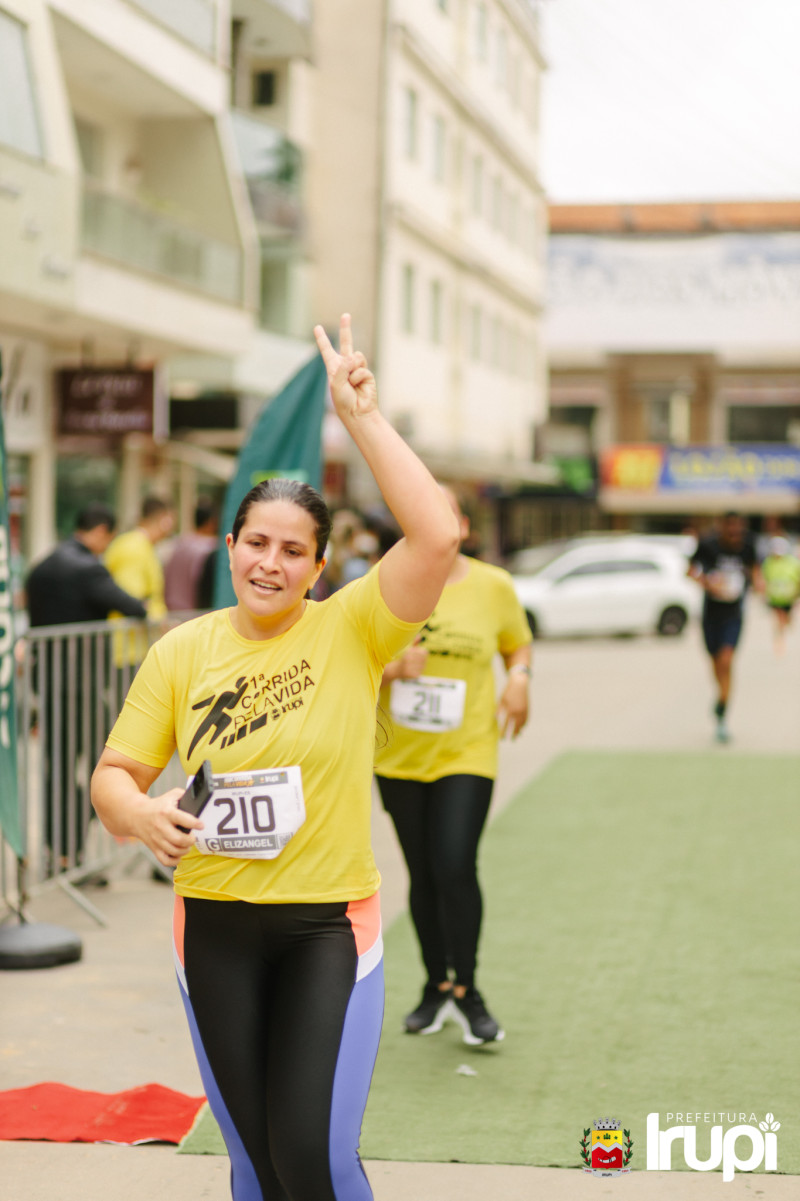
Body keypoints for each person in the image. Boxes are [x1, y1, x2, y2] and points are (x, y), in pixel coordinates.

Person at [90, 314, 460, 1201]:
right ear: (230, 548)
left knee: (309, 1156)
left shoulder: (353, 628)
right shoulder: (182, 651)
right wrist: (139, 812)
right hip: (212, 927)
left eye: (294, 550)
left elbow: (438, 536)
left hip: (325, 929)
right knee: (254, 1163)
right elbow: (111, 778)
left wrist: (361, 418)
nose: (271, 562)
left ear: (318, 567)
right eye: (256, 542)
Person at [374, 487, 533, 1045]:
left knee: (454, 864)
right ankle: (435, 985)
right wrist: (393, 669)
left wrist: (519, 679)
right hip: (397, 755)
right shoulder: (383, 582)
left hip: (467, 751)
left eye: (445, 515)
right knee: (422, 873)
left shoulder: (494, 586)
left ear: (462, 526)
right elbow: (347, 658)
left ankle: (467, 989)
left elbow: (517, 645)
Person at [25, 503, 147, 867]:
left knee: (58, 767)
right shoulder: (88, 568)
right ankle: (73, 847)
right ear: (101, 532)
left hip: (48, 679)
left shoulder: (42, 566)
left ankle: (60, 851)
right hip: (82, 684)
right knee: (103, 766)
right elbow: (132, 606)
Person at [688, 512, 762, 743]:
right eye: (730, 528)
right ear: (721, 527)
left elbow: (755, 570)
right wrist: (708, 583)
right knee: (716, 663)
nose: (734, 533)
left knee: (727, 660)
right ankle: (721, 694)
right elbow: (689, 570)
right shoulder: (708, 545)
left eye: (738, 529)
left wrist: (758, 582)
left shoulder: (748, 546)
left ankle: (723, 707)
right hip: (711, 614)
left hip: (733, 614)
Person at [105, 495, 174, 619]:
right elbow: (131, 601)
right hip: (130, 630)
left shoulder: (140, 545)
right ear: (164, 520)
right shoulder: (135, 547)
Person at [164, 497, 219, 611]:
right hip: (196, 614)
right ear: (212, 522)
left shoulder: (179, 543)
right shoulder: (212, 549)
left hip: (172, 611)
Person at [761, 535, 800, 656]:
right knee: (779, 618)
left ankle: (784, 628)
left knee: (785, 618)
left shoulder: (793, 562)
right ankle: (780, 640)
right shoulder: (768, 562)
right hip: (775, 596)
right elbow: (764, 577)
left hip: (789, 596)